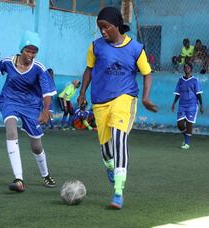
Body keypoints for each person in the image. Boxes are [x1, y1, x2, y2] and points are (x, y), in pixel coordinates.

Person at [77, 6, 158, 209]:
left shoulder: (136, 49)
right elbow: (89, 69)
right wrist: (81, 93)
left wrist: (146, 97)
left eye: (106, 27)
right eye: (100, 28)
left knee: (119, 138)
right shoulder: (96, 47)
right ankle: (110, 167)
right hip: (99, 102)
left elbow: (147, 73)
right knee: (106, 150)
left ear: (117, 26)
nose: (103, 31)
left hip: (125, 98)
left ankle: (118, 191)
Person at [0, 31, 57, 192]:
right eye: (27, 50)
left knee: (36, 146)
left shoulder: (39, 68)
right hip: (9, 100)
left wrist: (46, 110)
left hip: (31, 105)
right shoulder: (9, 62)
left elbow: (47, 92)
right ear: (21, 49)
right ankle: (19, 179)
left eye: (34, 51)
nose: (30, 54)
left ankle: (46, 174)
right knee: (11, 131)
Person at [171, 63, 204, 150]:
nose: (186, 69)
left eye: (188, 68)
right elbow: (178, 93)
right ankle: (186, 137)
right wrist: (174, 103)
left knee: (189, 123)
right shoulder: (180, 80)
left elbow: (198, 94)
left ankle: (187, 143)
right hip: (182, 104)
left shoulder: (195, 80)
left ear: (191, 69)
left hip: (192, 105)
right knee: (180, 124)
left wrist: (201, 105)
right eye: (185, 68)